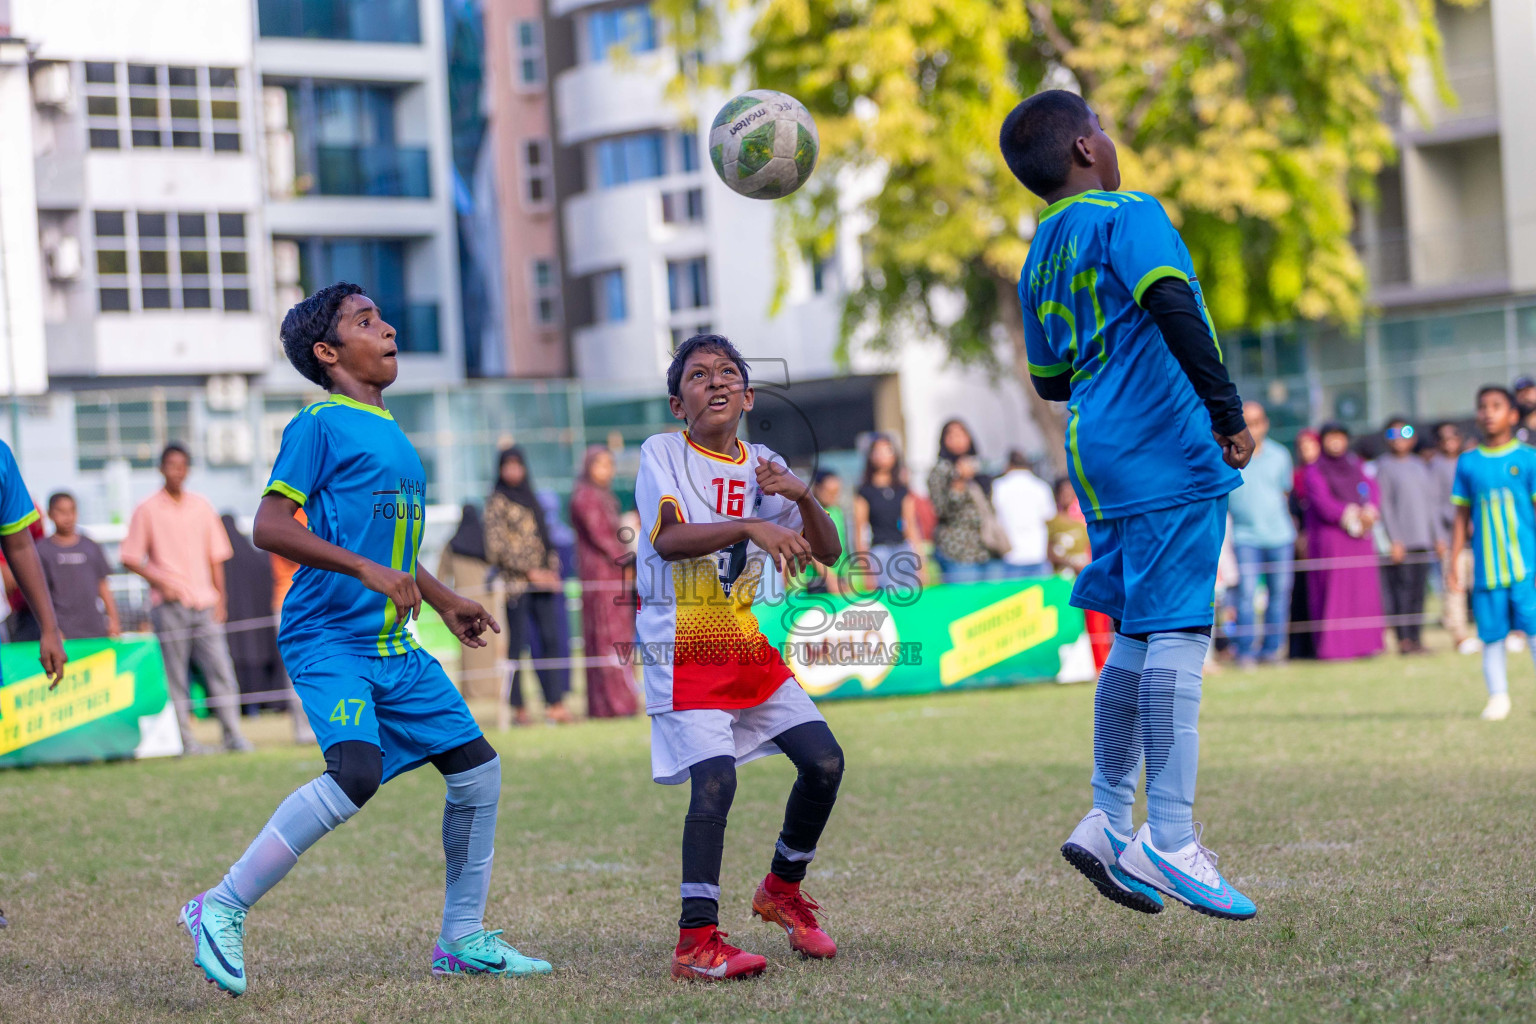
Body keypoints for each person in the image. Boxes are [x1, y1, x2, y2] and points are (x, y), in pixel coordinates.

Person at [178, 282, 549, 998]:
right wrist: (365, 570)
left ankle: (461, 940)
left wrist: (441, 600)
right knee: (355, 773)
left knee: (478, 773)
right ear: (327, 351)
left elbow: (386, 548)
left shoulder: (393, 433)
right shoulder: (318, 424)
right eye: (366, 321)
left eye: (382, 317)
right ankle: (217, 906)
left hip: (392, 645)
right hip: (328, 636)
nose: (387, 329)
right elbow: (270, 526)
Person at [1004, 89, 1258, 919]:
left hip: (1097, 454)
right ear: (1086, 147)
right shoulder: (1129, 211)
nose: (1109, 141)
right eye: (1103, 130)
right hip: (1166, 449)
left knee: (1139, 637)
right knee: (1182, 629)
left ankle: (1109, 817)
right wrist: (1226, 413)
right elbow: (1172, 303)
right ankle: (1171, 837)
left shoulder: (1038, 250)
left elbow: (1049, 378)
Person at [636, 334, 846, 981]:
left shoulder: (763, 463)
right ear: (679, 403)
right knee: (717, 780)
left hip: (741, 638)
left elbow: (830, 552)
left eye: (728, 372)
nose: (716, 382)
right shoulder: (663, 452)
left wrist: (803, 496)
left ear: (749, 395)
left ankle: (781, 890)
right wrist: (753, 525)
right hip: (682, 638)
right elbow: (670, 540)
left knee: (824, 762)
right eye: (699, 376)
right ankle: (695, 942)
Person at [121, 443, 252, 754]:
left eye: (181, 466)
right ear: (161, 468)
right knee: (175, 677)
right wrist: (159, 581)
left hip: (205, 603)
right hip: (169, 606)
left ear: (188, 470)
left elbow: (217, 556)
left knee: (221, 671)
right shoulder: (147, 508)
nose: (176, 472)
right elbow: (129, 556)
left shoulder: (202, 506)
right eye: (170, 465)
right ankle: (186, 741)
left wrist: (221, 597)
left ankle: (233, 736)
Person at [1449, 387, 1536, 722]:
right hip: (1488, 570)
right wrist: (1454, 563)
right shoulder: (1468, 463)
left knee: (1533, 631)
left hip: (1527, 568)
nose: (1488, 413)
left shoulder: (1528, 459)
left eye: (1496, 406)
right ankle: (1498, 697)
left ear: (1513, 415)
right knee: (1492, 636)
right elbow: (1460, 517)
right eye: (1482, 407)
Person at [485, 447, 572, 726]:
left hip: (543, 583)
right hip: (517, 585)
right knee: (517, 646)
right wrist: (529, 570)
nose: (513, 471)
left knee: (550, 641)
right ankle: (519, 709)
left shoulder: (531, 497)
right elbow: (496, 548)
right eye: (507, 465)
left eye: (517, 465)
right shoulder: (497, 501)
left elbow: (546, 539)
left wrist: (551, 571)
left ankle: (555, 703)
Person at [1301, 423, 1385, 660]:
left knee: (1364, 592)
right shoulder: (1315, 470)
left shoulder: (1355, 464)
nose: (1336, 442)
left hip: (1360, 538)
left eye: (1340, 437)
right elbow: (1322, 502)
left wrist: (1369, 512)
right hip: (1333, 539)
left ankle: (1366, 645)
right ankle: (1335, 648)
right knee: (1335, 593)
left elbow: (1372, 489)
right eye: (1331, 438)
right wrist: (1351, 515)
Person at [569, 445, 638, 719]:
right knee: (606, 638)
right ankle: (611, 705)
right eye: (601, 465)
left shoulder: (604, 496)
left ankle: (621, 701)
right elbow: (603, 538)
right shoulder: (584, 497)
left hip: (614, 576)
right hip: (601, 577)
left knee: (618, 637)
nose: (607, 471)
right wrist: (627, 560)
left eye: (610, 465)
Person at [1226, 402, 1294, 667]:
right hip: (1245, 537)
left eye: (1257, 421)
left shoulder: (1280, 455)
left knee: (1279, 596)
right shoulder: (1231, 456)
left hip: (1280, 536)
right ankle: (1244, 651)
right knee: (1245, 595)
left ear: (1265, 423)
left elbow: (1285, 494)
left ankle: (1272, 650)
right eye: (1248, 421)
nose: (1254, 427)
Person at [1375, 418, 1440, 654]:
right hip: (1401, 543)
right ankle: (1403, 640)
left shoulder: (1420, 465)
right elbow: (1385, 507)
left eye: (1406, 432)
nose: (1401, 438)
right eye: (1394, 433)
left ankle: (1416, 638)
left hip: (1423, 539)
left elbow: (1431, 505)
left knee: (1419, 592)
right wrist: (1395, 539)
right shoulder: (1385, 466)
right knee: (1401, 591)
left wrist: (1438, 536)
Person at [926, 419, 1006, 581]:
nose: (957, 439)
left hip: (987, 549)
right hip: (959, 552)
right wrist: (960, 481)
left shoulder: (979, 467)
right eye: (951, 435)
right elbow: (942, 509)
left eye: (961, 434)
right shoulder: (941, 470)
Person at [37, 491, 119, 641]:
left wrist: (114, 620)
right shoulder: (42, 550)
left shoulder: (90, 546)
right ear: (50, 514)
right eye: (61, 511)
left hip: (95, 628)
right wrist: (50, 629)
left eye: (71, 511)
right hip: (62, 630)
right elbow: (40, 593)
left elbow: (103, 586)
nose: (67, 517)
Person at [853, 433, 923, 591]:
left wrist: (920, 563)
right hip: (879, 552)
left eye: (888, 450)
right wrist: (866, 570)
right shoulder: (865, 491)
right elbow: (860, 530)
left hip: (904, 550)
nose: (883, 455)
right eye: (878, 451)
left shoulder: (902, 490)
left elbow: (911, 526)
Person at [1429, 421, 1473, 651]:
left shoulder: (1469, 462)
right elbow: (1435, 505)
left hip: (1476, 537)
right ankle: (1459, 635)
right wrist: (1439, 536)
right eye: (1444, 439)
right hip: (1450, 537)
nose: (1449, 443)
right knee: (1454, 586)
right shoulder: (1436, 466)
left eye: (1453, 437)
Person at [991, 449, 1057, 577]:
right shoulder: (1041, 487)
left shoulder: (998, 486)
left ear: (1008, 466)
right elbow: (1050, 518)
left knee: (1012, 596)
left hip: (1009, 555)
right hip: (1037, 553)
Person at [1288, 428, 1322, 660]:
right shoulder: (1296, 476)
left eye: (1310, 445)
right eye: (1302, 446)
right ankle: (1300, 649)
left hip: (1321, 542)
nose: (1305, 450)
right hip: (1300, 543)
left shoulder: (1324, 473)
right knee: (1299, 593)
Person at [805, 469, 850, 594]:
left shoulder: (837, 511)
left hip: (840, 575)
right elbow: (810, 550)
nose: (834, 496)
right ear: (818, 489)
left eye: (836, 492)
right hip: (820, 579)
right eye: (830, 492)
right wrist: (830, 578)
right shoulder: (811, 513)